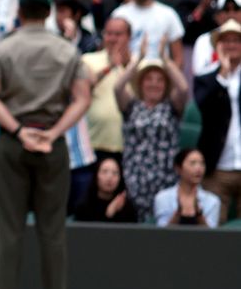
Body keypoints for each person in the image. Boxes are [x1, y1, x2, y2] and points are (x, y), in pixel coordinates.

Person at [0, 0, 91, 289]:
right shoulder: (67, 50)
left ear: (21, 12)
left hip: (15, 140)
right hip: (51, 141)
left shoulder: (3, 48)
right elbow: (83, 98)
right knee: (53, 229)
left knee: (9, 228)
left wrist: (16, 130)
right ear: (48, 13)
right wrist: (55, 133)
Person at [113, 35, 189, 220]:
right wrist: (138, 58)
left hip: (166, 179)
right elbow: (117, 87)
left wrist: (165, 58)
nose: (154, 83)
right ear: (140, 83)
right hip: (135, 180)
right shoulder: (132, 107)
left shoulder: (171, 107)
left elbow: (184, 88)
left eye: (160, 80)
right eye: (149, 79)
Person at [193, 19, 241, 225]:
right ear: (218, 46)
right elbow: (202, 104)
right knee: (214, 231)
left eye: (236, 40)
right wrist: (222, 73)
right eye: (226, 41)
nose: (231, 45)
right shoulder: (206, 77)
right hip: (217, 168)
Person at [111, 0, 184, 68]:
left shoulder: (168, 14)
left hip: (159, 78)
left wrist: (169, 81)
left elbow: (179, 58)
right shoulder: (119, 14)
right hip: (126, 75)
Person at [82, 17, 133, 164]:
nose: (112, 39)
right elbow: (84, 86)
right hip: (95, 142)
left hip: (129, 145)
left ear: (129, 37)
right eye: (108, 34)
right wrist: (109, 67)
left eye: (118, 34)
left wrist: (128, 65)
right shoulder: (88, 59)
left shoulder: (139, 63)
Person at [154, 148, 220, 228]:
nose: (199, 169)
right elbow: (161, 234)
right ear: (178, 168)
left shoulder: (212, 200)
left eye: (202, 163)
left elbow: (212, 236)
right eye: (193, 163)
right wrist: (178, 214)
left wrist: (199, 214)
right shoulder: (163, 197)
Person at [72, 157, 138, 223]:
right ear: (96, 175)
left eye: (115, 173)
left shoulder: (126, 207)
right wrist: (108, 215)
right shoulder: (84, 206)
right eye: (104, 172)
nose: (109, 177)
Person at [193, 0, 241, 77]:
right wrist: (222, 67)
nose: (231, 14)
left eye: (236, 9)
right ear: (217, 16)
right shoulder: (204, 40)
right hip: (215, 88)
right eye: (226, 10)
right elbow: (199, 74)